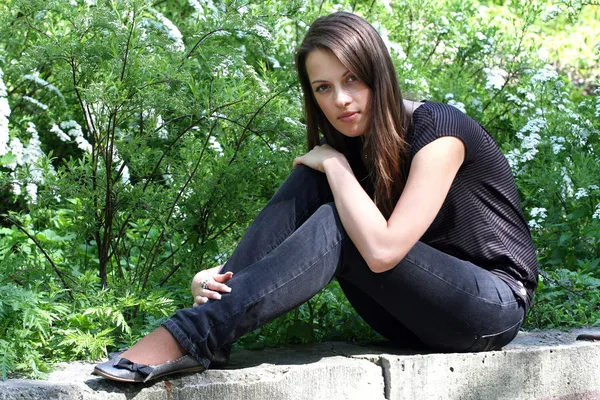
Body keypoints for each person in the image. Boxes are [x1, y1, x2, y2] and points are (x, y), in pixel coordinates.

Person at [93, 11, 538, 383]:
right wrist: (222, 279)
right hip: (404, 313)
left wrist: (336, 165)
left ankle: (191, 334)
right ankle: (213, 310)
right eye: (324, 88)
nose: (341, 100)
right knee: (313, 179)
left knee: (339, 210)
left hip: (487, 309)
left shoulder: (440, 133)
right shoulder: (354, 142)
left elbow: (382, 251)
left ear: (379, 75)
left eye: (353, 80)